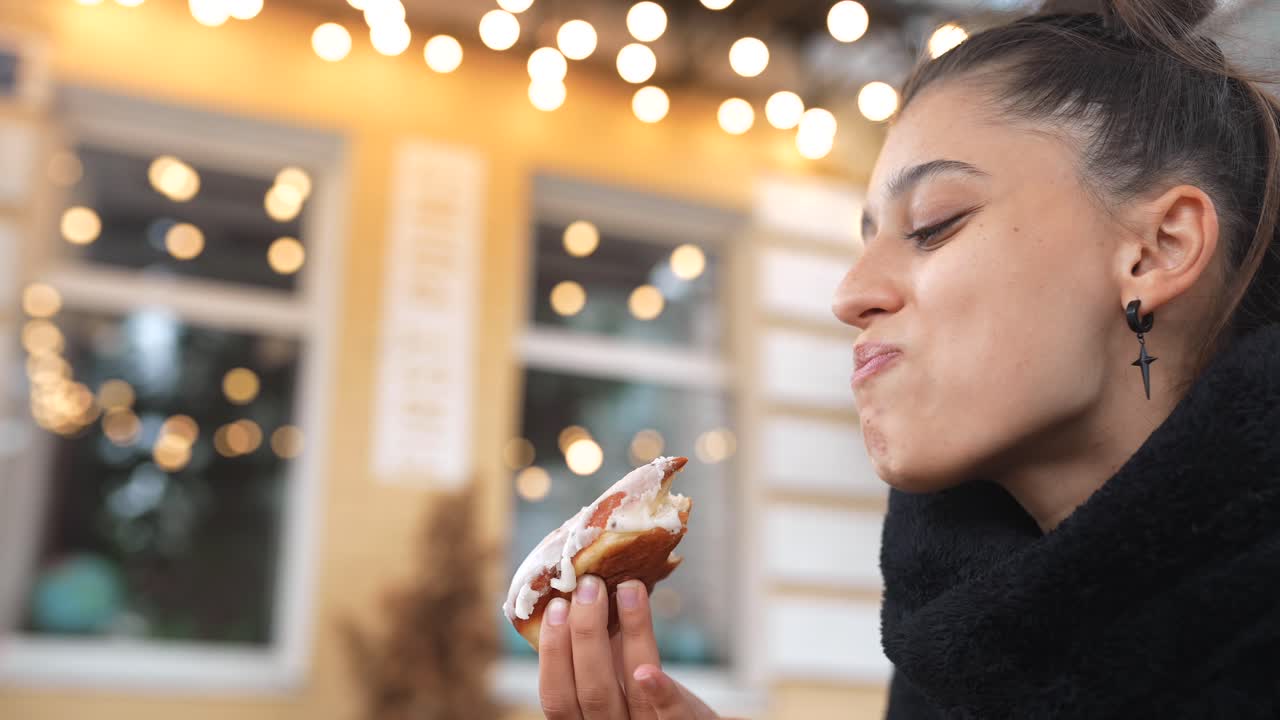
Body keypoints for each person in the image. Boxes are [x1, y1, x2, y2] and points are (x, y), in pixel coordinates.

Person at [535, 0, 1280, 717]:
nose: (850, 294)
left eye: (932, 224)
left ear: (1159, 249)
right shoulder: (957, 650)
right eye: (866, 239)